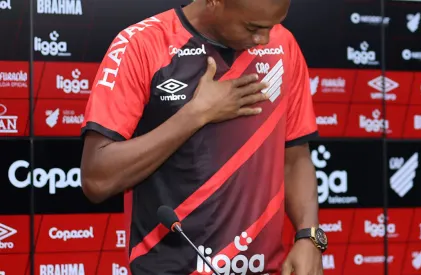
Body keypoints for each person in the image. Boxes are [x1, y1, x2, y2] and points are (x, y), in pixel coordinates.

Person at [80, 0, 327, 274]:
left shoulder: (284, 45)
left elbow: (294, 158)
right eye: (252, 27)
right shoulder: (142, 44)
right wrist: (195, 115)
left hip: (263, 268)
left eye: (273, 25)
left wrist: (309, 236)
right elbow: (97, 178)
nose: (263, 39)